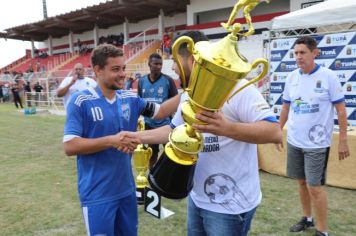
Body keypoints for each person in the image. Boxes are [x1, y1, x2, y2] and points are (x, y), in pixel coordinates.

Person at [132, 31, 282, 236]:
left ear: (191, 57)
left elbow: (274, 132)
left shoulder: (237, 88)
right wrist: (137, 137)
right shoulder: (190, 93)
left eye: (175, 61)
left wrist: (226, 128)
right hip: (197, 196)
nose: (174, 68)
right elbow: (172, 130)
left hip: (229, 205)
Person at [63, 44, 164, 236]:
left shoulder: (130, 98)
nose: (122, 74)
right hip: (97, 195)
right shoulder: (80, 101)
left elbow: (162, 112)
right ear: (98, 70)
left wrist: (188, 94)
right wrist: (112, 140)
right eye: (116, 69)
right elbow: (69, 146)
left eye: (123, 68)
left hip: (126, 191)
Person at [277, 36, 350, 236]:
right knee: (301, 182)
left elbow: (341, 111)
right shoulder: (291, 77)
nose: (299, 57)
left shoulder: (328, 77)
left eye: (303, 52)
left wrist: (343, 140)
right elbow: (285, 108)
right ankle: (307, 219)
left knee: (314, 187)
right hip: (294, 140)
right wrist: (277, 131)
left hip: (317, 144)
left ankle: (322, 230)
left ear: (315, 53)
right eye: (296, 53)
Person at [137, 53, 178, 169]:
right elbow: (139, 102)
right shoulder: (142, 81)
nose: (158, 66)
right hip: (149, 124)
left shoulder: (168, 80)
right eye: (155, 64)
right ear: (149, 64)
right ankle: (152, 174)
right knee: (151, 153)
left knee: (170, 153)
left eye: (160, 64)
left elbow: (175, 101)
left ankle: (168, 176)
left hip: (166, 125)